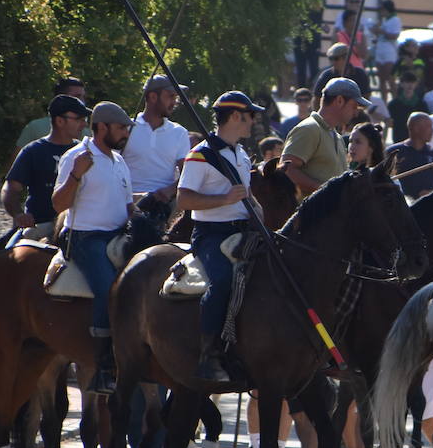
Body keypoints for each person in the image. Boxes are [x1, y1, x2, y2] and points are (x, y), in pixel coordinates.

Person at [176, 91, 264, 383]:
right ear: (236, 116)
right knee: (223, 280)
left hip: (244, 231)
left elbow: (245, 195)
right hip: (211, 234)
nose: (253, 122)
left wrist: (256, 208)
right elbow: (184, 199)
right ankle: (208, 354)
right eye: (250, 116)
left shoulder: (240, 154)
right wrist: (224, 199)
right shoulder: (201, 154)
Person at [51, 101, 135, 395]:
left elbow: (128, 207)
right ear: (102, 127)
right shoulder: (77, 156)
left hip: (117, 236)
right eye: (121, 127)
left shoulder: (119, 160)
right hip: (84, 238)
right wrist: (76, 174)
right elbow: (59, 204)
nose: (126, 133)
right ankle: (103, 366)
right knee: (109, 287)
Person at [3, 94, 93, 240]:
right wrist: (19, 214)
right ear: (59, 121)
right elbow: (10, 189)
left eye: (85, 120)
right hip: (39, 227)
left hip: (78, 229)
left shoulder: (85, 153)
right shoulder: (32, 151)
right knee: (4, 254)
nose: (84, 124)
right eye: (79, 119)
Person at [122, 74, 192, 225]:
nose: (174, 102)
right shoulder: (126, 127)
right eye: (170, 96)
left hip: (164, 206)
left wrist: (168, 190)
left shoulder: (179, 133)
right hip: (125, 204)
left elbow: (187, 174)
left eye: (175, 97)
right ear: (153, 97)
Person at [282, 77, 369, 196]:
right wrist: (325, 191)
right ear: (339, 100)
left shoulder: (337, 137)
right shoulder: (309, 129)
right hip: (310, 213)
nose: (356, 112)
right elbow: (287, 170)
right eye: (354, 106)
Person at [14, 77, 87, 151]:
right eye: (77, 97)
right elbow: (15, 159)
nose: (82, 102)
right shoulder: (35, 128)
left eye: (83, 97)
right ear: (60, 98)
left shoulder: (87, 132)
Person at [387, 113, 433, 199]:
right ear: (416, 129)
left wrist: (432, 192)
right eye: (428, 126)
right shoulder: (394, 152)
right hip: (401, 205)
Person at [373, 0, 402, 102]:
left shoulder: (395, 20)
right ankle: (383, 101)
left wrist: (382, 31)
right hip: (380, 49)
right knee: (381, 79)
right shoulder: (383, 20)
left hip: (389, 51)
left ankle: (395, 100)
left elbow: (395, 35)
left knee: (390, 78)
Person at [386, 72, 424, 144]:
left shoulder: (421, 104)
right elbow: (389, 124)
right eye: (407, 82)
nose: (410, 85)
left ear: (416, 84)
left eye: (412, 82)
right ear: (401, 84)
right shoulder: (393, 104)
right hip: (399, 141)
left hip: (418, 142)